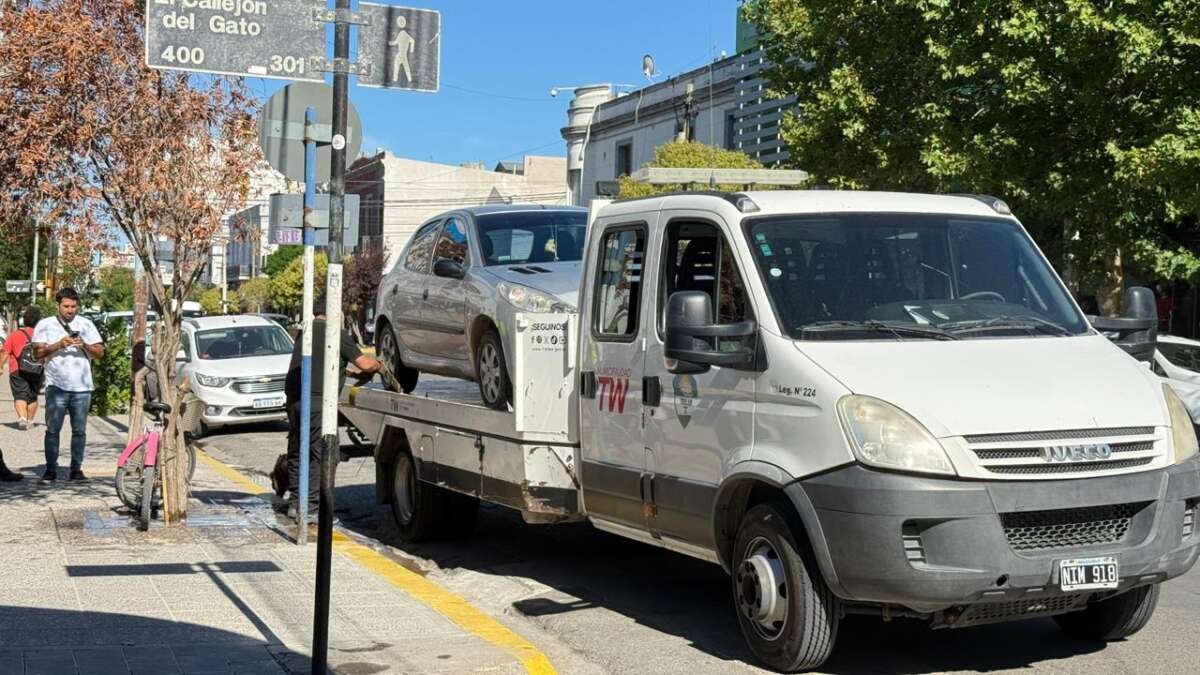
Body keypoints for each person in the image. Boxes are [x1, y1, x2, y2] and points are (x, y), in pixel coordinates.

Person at [283, 295, 381, 519]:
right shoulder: (335, 333)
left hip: (295, 401)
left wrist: (345, 371)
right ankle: (313, 509)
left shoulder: (305, 333)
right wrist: (377, 365)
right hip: (318, 404)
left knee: (298, 452)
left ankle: (296, 504)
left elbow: (319, 362)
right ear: (335, 312)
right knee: (321, 455)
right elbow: (365, 363)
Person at [33, 288, 105, 482]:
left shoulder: (86, 324)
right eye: (66, 306)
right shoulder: (45, 325)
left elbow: (100, 352)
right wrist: (59, 345)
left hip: (82, 388)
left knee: (79, 431)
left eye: (73, 306)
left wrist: (85, 346)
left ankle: (76, 469)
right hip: (56, 386)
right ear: (58, 305)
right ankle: (50, 469)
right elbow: (37, 353)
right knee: (53, 429)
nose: (70, 310)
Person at [1, 306, 43, 430]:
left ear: (24, 320)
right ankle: (30, 420)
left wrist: (1, 366)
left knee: (20, 395)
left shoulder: (15, 335)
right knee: (33, 395)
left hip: (17, 369)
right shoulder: (41, 335)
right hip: (37, 369)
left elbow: (5, 352)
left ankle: (22, 418)